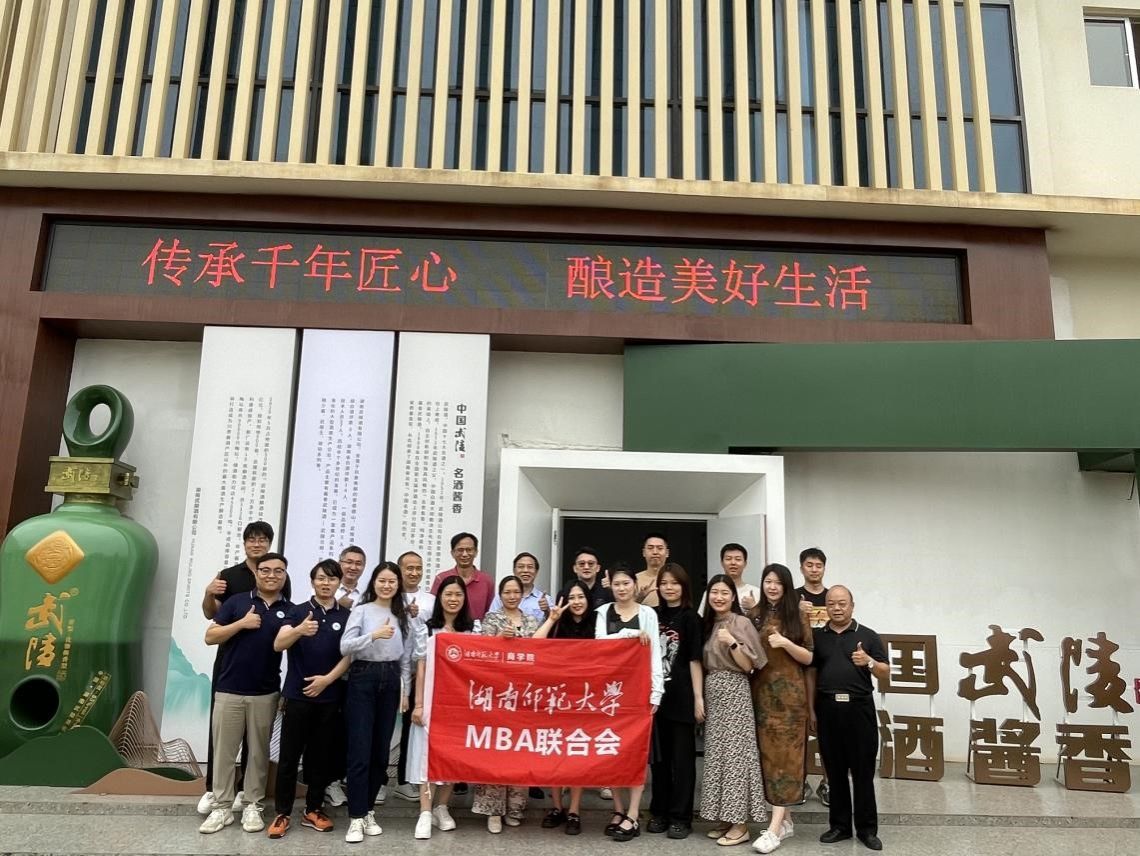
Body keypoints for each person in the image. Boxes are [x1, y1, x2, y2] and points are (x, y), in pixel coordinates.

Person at [197, 521, 291, 816]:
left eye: (262, 539)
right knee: (223, 734)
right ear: (244, 543)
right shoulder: (229, 577)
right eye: (252, 539)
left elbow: (285, 621)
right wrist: (208, 593)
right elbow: (212, 618)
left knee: (257, 742)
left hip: (264, 676)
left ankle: (247, 795)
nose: (257, 544)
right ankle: (215, 792)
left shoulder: (280, 579)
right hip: (229, 664)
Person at [267, 559, 351, 838]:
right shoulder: (297, 611)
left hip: (329, 697)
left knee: (320, 758)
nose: (326, 583)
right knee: (289, 757)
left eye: (332, 578)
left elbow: (350, 655)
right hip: (297, 696)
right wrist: (299, 630)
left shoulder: (347, 616)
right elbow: (278, 644)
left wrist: (327, 680)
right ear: (312, 581)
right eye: (321, 578)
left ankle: (313, 809)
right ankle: (282, 813)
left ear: (339, 583)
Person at [339, 561, 415, 843]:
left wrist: (405, 692)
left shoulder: (402, 615)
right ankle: (356, 817)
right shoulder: (362, 610)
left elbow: (405, 658)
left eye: (392, 581)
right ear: (374, 583)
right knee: (360, 749)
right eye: (382, 580)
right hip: (363, 677)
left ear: (398, 585)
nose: (387, 585)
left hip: (391, 680)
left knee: (380, 753)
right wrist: (373, 635)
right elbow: (345, 646)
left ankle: (368, 810)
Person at [811, 586, 887, 852]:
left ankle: (867, 830)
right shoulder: (818, 637)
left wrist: (868, 661)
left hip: (859, 709)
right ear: (826, 607)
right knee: (835, 772)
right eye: (831, 603)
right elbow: (811, 674)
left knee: (863, 772)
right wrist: (811, 710)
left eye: (842, 603)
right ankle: (840, 827)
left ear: (852, 605)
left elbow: (885, 672)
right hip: (827, 708)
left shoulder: (868, 635)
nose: (837, 608)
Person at [594, 566, 664, 842]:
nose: (622, 588)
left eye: (626, 583)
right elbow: (599, 644)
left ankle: (633, 813)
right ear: (610, 586)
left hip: (638, 692)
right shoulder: (603, 612)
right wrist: (629, 634)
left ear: (635, 585)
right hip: (610, 694)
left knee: (637, 753)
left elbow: (655, 652)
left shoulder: (648, 614)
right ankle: (618, 809)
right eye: (617, 584)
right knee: (612, 749)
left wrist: (656, 692)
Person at [748, 564, 814, 854]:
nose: (772, 587)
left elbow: (809, 657)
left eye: (777, 582)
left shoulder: (798, 614)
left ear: (786, 586)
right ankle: (785, 822)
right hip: (761, 696)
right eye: (768, 581)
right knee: (767, 759)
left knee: (786, 759)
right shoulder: (755, 614)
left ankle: (774, 829)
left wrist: (785, 642)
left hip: (790, 700)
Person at [698, 574, 768, 847]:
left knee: (737, 757)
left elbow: (749, 666)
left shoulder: (741, 622)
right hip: (713, 691)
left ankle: (741, 824)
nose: (719, 597)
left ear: (732, 596)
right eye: (714, 592)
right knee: (718, 756)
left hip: (735, 690)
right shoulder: (707, 624)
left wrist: (733, 642)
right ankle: (726, 818)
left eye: (724, 592)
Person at [407, 575, 479, 838]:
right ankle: (425, 812)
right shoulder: (427, 629)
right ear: (440, 598)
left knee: (451, 757)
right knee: (426, 757)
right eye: (448, 594)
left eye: (458, 595)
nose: (453, 599)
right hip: (431, 702)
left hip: (459, 705)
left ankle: (442, 807)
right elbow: (421, 666)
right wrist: (418, 705)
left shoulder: (473, 629)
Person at [472, 575, 542, 832]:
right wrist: (499, 639)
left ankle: (515, 808)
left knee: (520, 752)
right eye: (507, 592)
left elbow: (541, 652)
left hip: (524, 695)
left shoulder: (532, 620)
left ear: (522, 594)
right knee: (495, 751)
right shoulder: (491, 619)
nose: (512, 596)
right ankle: (493, 810)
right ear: (500, 595)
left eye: (516, 592)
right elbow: (481, 653)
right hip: (497, 694)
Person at [533, 580, 598, 835]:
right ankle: (557, 807)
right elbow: (534, 643)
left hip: (584, 700)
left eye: (581, 597)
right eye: (572, 597)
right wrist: (552, 618)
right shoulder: (558, 623)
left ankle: (574, 810)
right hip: (557, 699)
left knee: (576, 754)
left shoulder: (597, 622)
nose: (577, 602)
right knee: (555, 752)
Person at [648, 563, 704, 840]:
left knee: (682, 762)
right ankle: (659, 812)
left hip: (681, 697)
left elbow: (694, 659)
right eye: (664, 583)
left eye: (674, 583)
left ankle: (681, 817)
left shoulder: (691, 618)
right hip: (654, 698)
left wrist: (698, 698)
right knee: (659, 761)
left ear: (684, 586)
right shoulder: (651, 615)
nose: (669, 588)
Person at [391, 550, 435, 802]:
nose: (414, 572)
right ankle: (379, 781)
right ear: (399, 570)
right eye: (409, 568)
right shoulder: (390, 596)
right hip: (389, 669)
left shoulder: (431, 600)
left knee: (410, 726)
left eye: (418, 568)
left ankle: (404, 780)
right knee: (384, 726)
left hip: (419, 672)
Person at [326, 544, 367, 808]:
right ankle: (328, 782)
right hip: (328, 669)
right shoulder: (328, 589)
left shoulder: (367, 596)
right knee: (328, 728)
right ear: (340, 563)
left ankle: (344, 778)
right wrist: (337, 606)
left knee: (350, 728)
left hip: (357, 672)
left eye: (358, 563)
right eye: (348, 562)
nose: (352, 567)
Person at [796, 546, 829, 805]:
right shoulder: (794, 597)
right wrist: (797, 612)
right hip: (798, 669)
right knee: (799, 728)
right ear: (801, 568)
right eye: (809, 565)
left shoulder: (832, 597)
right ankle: (800, 781)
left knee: (828, 729)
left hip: (828, 668)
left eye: (818, 565)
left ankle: (828, 783)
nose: (814, 569)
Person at [429, 532, 494, 620]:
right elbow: (433, 609)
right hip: (447, 628)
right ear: (452, 553)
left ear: (476, 552)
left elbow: (490, 613)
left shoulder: (487, 580)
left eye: (469, 550)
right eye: (460, 550)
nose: (464, 554)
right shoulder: (441, 578)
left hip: (476, 628)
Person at [698, 543, 761, 615]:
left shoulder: (756, 592)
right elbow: (702, 617)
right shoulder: (712, 592)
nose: (733, 563)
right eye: (728, 559)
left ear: (745, 564)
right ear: (722, 563)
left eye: (738, 559)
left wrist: (753, 607)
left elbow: (764, 620)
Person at [489, 551, 550, 621]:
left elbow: (554, 623)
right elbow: (491, 620)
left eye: (530, 567)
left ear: (536, 571)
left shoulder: (546, 599)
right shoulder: (501, 597)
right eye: (521, 567)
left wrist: (547, 611)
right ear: (514, 570)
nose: (525, 570)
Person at [634, 532, 669, 607]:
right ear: (644, 552)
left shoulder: (676, 579)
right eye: (650, 548)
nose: (655, 552)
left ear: (667, 553)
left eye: (660, 548)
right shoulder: (634, 580)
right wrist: (639, 599)